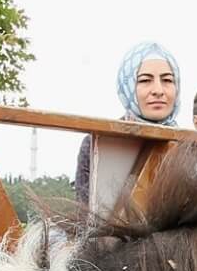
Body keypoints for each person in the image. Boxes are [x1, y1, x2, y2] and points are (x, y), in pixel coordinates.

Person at [75, 42, 180, 208]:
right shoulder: (95, 144)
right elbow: (85, 216)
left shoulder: (193, 147)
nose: (158, 90)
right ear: (127, 86)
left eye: (167, 80)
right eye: (145, 80)